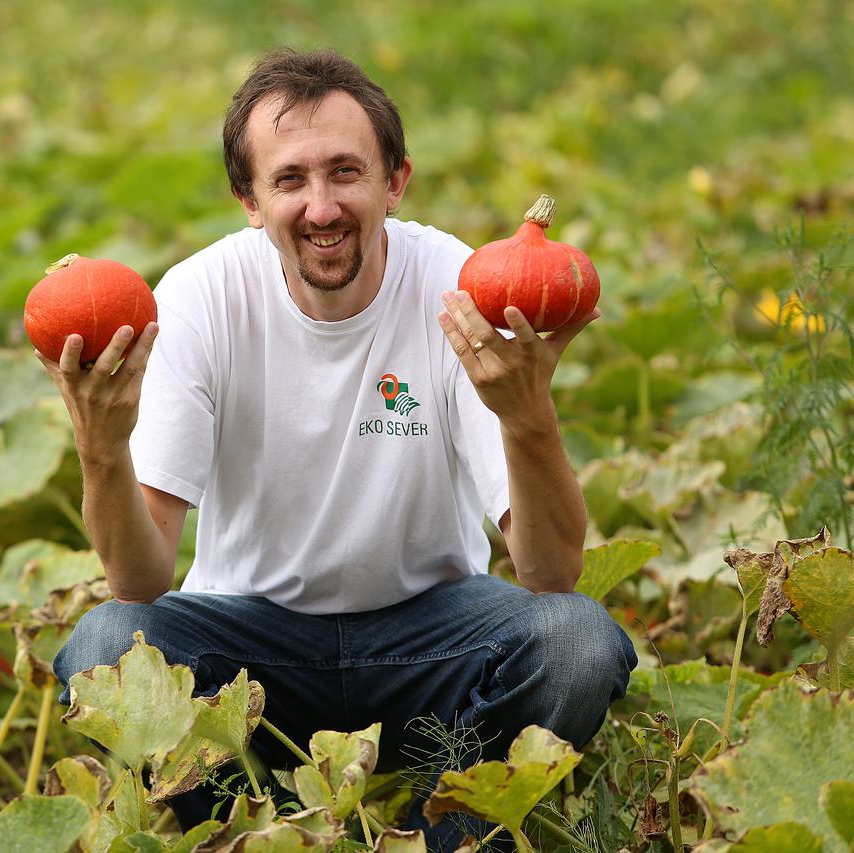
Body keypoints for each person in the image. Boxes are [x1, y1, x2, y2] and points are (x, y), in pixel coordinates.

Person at [40, 47, 636, 851]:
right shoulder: (198, 298)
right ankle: (240, 834)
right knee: (108, 644)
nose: (322, 206)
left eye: (346, 172)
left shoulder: (458, 287)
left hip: (432, 637)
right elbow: (140, 580)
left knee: (576, 640)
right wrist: (102, 449)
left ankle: (449, 832)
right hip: (252, 655)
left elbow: (551, 572)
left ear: (395, 182)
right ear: (249, 200)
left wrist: (528, 414)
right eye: (290, 179)